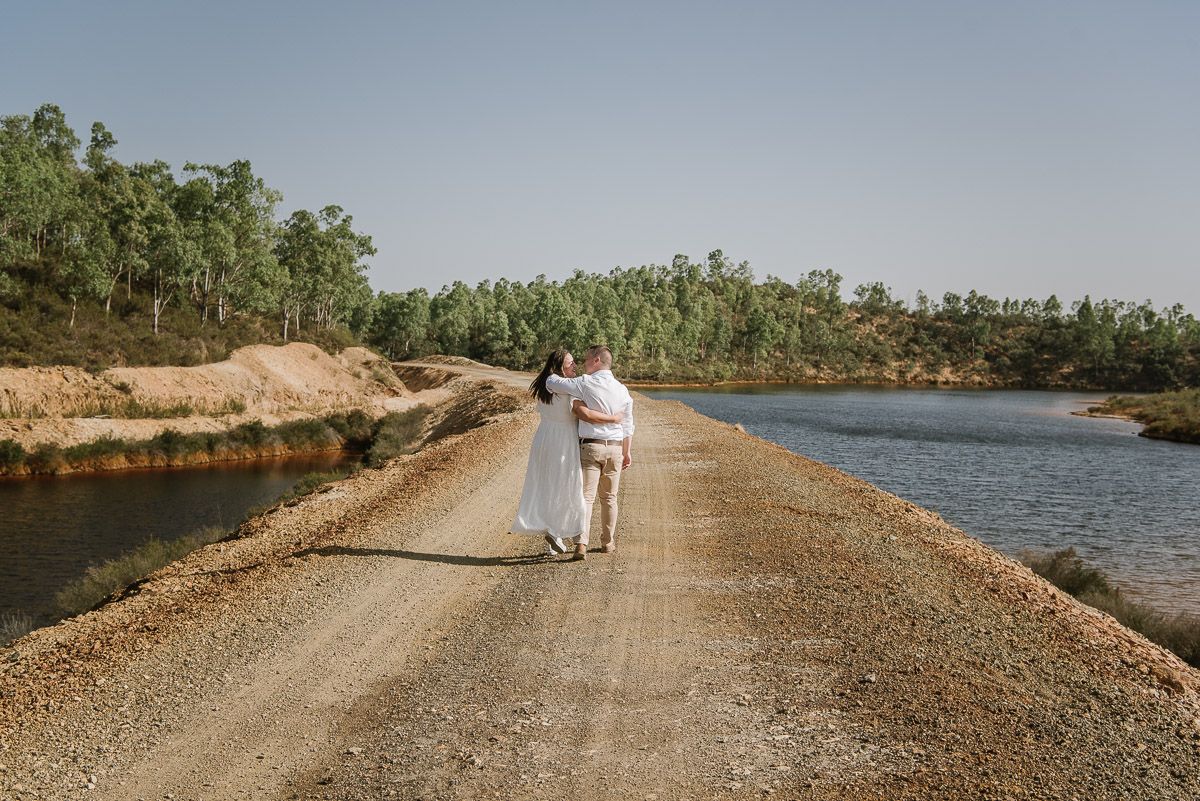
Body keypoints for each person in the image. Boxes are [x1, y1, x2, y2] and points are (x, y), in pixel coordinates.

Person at [511, 349, 624, 556]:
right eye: (570, 363)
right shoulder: (565, 386)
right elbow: (584, 411)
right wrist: (614, 419)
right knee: (569, 488)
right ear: (560, 366)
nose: (575, 366)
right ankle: (558, 532)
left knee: (549, 485)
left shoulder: (547, 383)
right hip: (564, 441)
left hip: (545, 438)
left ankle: (555, 536)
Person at [545, 344, 634, 561]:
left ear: (596, 360)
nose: (583, 363)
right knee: (610, 498)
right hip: (615, 448)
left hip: (590, 446)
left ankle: (581, 545)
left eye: (586, 359)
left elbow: (552, 382)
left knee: (586, 498)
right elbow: (628, 424)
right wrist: (627, 452)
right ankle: (607, 542)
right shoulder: (622, 389)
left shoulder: (585, 382)